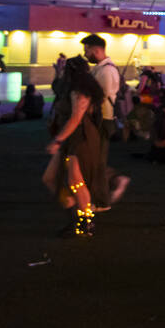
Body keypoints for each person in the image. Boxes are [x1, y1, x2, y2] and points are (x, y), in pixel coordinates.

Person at [42, 57, 105, 237]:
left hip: (80, 137)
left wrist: (58, 140)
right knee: (49, 178)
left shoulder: (80, 90)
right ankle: (72, 209)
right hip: (71, 136)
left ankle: (85, 222)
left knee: (76, 182)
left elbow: (76, 117)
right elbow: (57, 87)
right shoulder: (69, 87)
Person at [80, 33, 128, 209]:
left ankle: (102, 200)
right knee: (95, 160)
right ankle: (106, 190)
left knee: (97, 162)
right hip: (101, 119)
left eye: (87, 50)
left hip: (103, 120)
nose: (86, 54)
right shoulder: (101, 68)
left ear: (97, 50)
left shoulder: (106, 70)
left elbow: (101, 96)